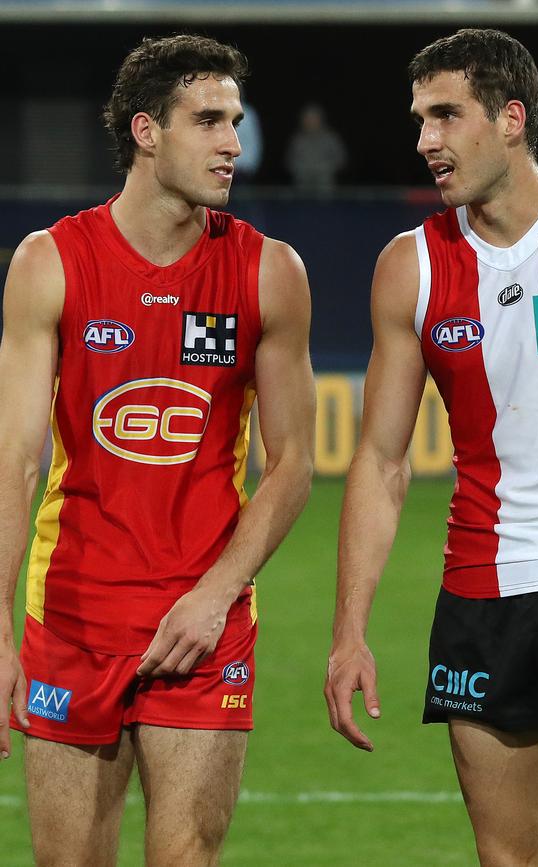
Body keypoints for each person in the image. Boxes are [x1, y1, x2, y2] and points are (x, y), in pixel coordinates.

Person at [324, 27, 538, 863]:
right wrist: (349, 629)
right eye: (419, 119)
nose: (425, 140)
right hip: (483, 596)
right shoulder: (412, 269)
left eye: (445, 115)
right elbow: (382, 461)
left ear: (510, 118)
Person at [0, 34, 314, 867]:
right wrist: (1, 628)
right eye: (209, 121)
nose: (233, 145)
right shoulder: (50, 262)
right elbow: (14, 460)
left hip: (201, 629)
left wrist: (215, 593)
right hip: (69, 616)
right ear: (146, 131)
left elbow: (292, 466)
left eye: (235, 122)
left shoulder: (268, 271)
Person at [285, 103, 347, 194]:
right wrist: (301, 169)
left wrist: (325, 168)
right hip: (302, 185)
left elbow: (341, 159)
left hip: (325, 187)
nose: (310, 121)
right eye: (307, 118)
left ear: (321, 119)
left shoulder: (331, 138)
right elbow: (289, 161)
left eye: (314, 118)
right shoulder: (297, 140)